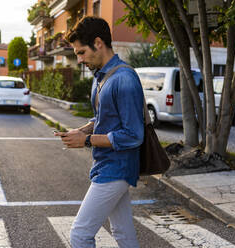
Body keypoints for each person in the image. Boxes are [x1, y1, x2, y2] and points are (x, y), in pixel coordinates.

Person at [54, 16, 145, 248]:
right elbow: (104, 117)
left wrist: (86, 140)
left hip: (118, 168)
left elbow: (134, 134)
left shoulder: (124, 79)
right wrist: (82, 129)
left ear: (98, 43)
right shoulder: (101, 77)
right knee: (122, 232)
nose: (80, 59)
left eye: (82, 52)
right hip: (107, 164)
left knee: (80, 235)